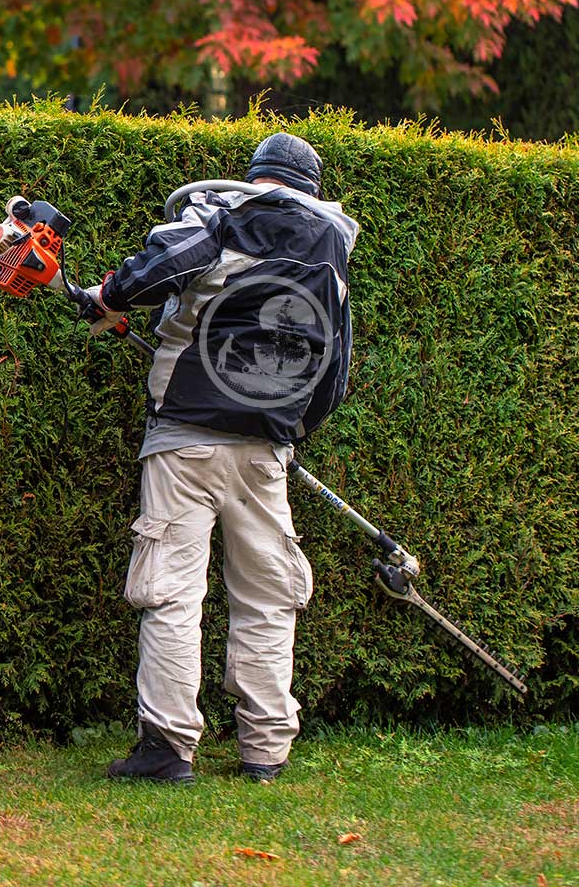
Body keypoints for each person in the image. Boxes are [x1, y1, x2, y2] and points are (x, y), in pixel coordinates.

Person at [83, 131, 359, 784]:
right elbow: (335, 375)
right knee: (267, 598)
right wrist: (288, 432)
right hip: (267, 450)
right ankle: (265, 751)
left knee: (173, 591)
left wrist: (108, 296)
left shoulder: (223, 219)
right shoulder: (332, 254)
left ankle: (168, 750)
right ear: (311, 193)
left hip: (186, 440)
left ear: (255, 176)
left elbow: (156, 270)